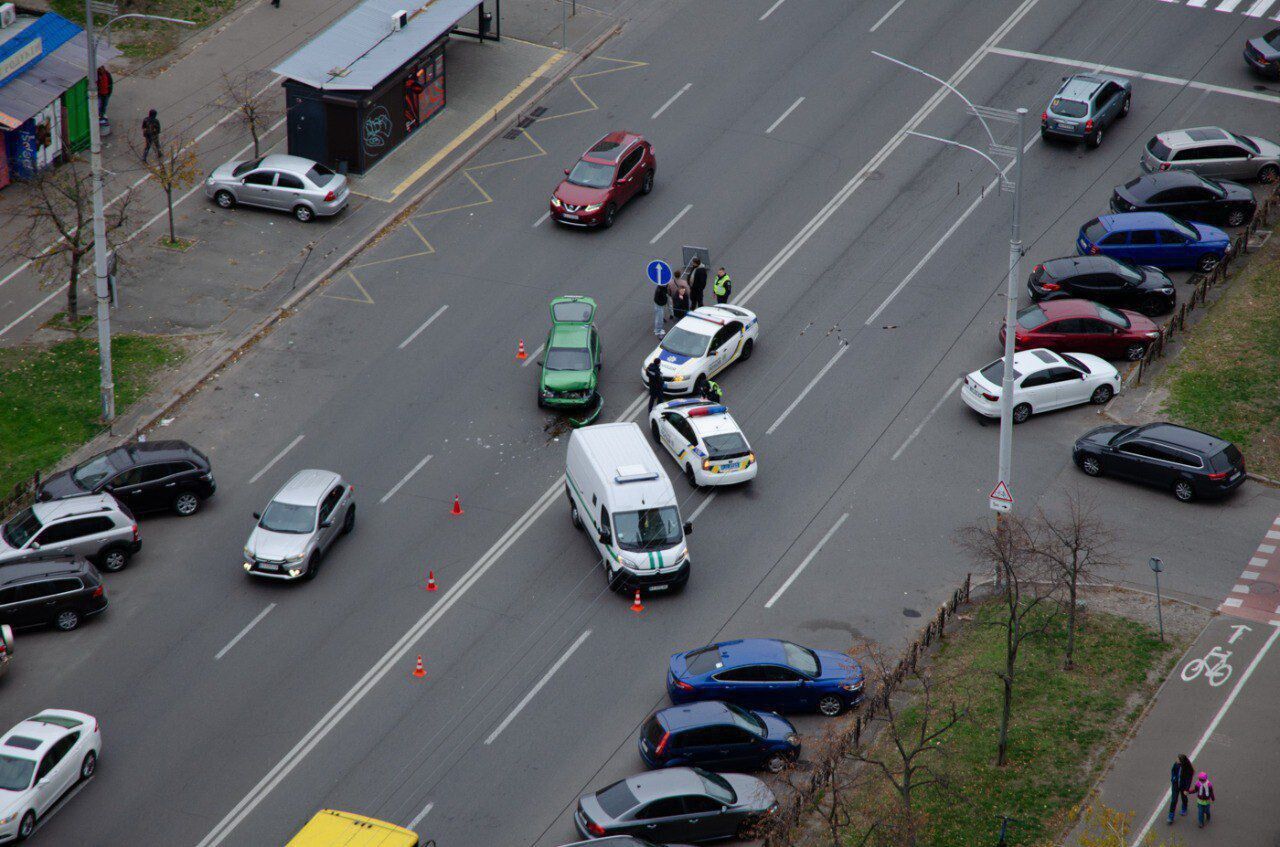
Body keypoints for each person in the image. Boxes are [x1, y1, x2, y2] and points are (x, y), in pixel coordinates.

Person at [1168, 754, 1194, 823]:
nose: (1176, 760)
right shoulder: (1176, 764)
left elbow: (1189, 780)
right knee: (1174, 800)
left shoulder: (1187, 768)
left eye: (1178, 759)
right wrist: (1173, 778)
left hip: (1183, 786)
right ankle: (1171, 816)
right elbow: (1173, 770)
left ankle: (1184, 807)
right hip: (1176, 785)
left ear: (1181, 761)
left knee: (1184, 798)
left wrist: (1187, 789)